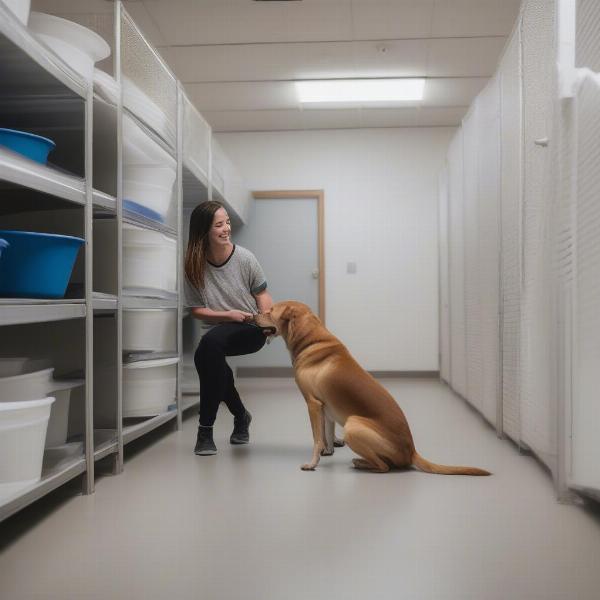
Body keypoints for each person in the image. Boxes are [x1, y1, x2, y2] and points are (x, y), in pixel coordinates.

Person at [184, 200, 273, 455]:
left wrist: (266, 321)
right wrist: (228, 315)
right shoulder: (193, 264)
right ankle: (240, 416)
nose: (226, 229)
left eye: (228, 223)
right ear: (204, 231)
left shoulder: (245, 258)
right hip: (218, 330)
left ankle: (205, 430)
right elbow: (197, 311)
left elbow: (263, 294)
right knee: (209, 356)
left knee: (207, 351)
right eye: (219, 225)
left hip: (250, 328)